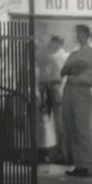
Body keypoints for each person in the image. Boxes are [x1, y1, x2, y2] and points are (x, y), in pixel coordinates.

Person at [60, 23, 92, 177]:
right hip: (69, 91)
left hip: (82, 92)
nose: (77, 35)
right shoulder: (74, 53)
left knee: (82, 130)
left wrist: (73, 68)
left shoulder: (91, 52)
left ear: (85, 34)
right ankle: (79, 164)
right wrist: (72, 67)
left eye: (79, 33)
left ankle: (88, 165)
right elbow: (63, 71)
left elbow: (90, 75)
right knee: (71, 129)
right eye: (76, 33)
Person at [36, 34, 67, 163]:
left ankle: (59, 154)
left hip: (55, 95)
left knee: (54, 126)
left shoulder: (52, 59)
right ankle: (59, 154)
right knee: (53, 125)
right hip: (56, 95)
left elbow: (55, 79)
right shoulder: (50, 59)